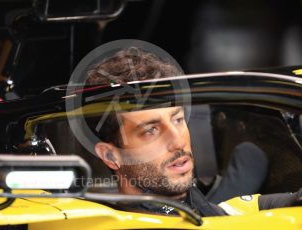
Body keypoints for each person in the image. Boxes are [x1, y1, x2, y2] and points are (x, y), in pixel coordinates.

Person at [84, 47, 302, 216]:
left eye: (178, 119)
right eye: (151, 130)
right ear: (111, 156)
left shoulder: (216, 211)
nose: (178, 142)